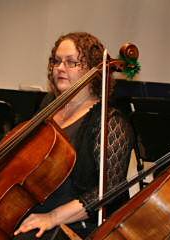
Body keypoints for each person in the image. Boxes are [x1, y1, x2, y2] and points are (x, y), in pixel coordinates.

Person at [14, 32, 133, 239]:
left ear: (91, 69)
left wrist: (53, 217)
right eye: (57, 61)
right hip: (33, 209)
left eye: (71, 62)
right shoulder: (47, 107)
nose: (60, 68)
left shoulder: (110, 122)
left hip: (74, 224)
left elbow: (110, 190)